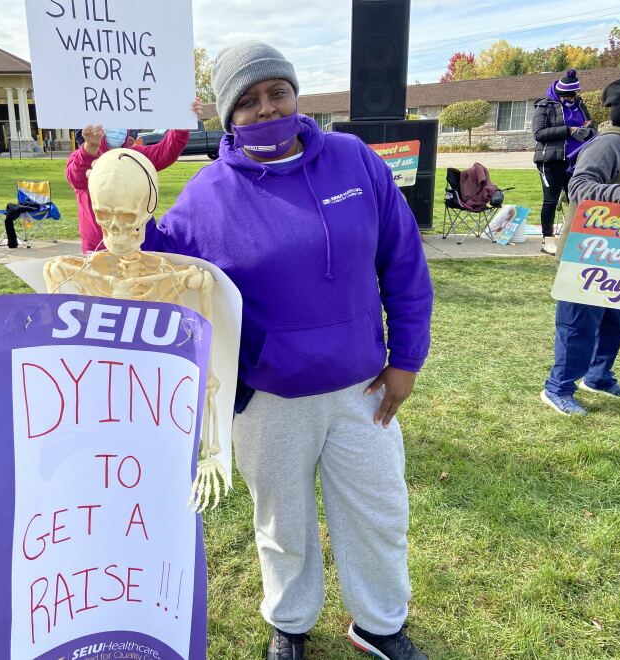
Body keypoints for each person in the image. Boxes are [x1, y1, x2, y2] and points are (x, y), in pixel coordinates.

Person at [142, 42, 433, 660]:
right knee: (282, 526)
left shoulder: (355, 161)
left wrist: (406, 360)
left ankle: (379, 625)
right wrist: (110, 188)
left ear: (296, 94)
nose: (266, 108)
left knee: (378, 513)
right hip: (268, 398)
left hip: (363, 392)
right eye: (246, 102)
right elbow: (151, 265)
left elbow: (403, 262)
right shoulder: (206, 194)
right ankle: (290, 622)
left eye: (277, 91)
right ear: (228, 117)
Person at [541, 78, 620, 416]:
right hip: (588, 251)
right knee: (579, 323)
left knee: (614, 321)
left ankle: (598, 376)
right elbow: (580, 186)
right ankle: (558, 388)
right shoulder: (609, 144)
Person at [67, 99, 203, 253]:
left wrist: (181, 124)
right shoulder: (82, 157)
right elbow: (77, 178)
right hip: (98, 249)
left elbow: (166, 151)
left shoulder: (136, 156)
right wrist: (90, 148)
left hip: (140, 245)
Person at [532, 70, 597, 255]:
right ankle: (548, 241)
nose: (572, 98)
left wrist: (588, 130)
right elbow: (539, 134)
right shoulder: (545, 106)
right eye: (568, 95)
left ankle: (578, 239)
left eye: (574, 94)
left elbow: (591, 126)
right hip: (552, 160)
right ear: (559, 94)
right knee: (551, 201)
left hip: (578, 160)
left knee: (577, 200)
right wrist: (568, 130)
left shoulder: (580, 104)